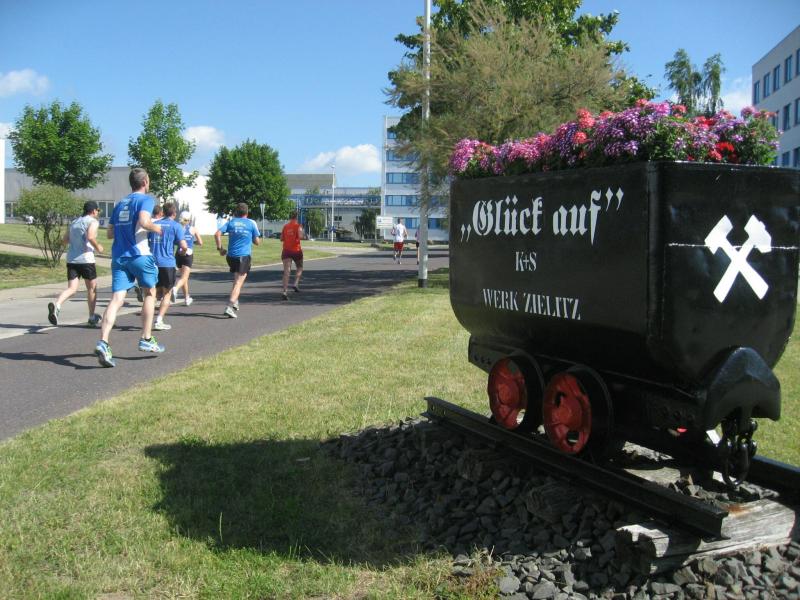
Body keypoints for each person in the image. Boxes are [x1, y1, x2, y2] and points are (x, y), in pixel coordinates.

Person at [94, 168, 164, 368]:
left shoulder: (120, 204)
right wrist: (157, 228)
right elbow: (144, 221)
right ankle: (146, 338)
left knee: (117, 299)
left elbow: (109, 233)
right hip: (139, 255)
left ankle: (103, 342)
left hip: (119, 257)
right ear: (145, 182)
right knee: (150, 293)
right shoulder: (146, 200)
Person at [47, 200, 104, 327]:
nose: (97, 213)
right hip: (86, 259)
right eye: (97, 210)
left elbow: (65, 240)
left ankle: (57, 305)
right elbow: (90, 237)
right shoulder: (92, 221)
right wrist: (98, 247)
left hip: (72, 260)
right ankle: (91, 317)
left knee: (72, 289)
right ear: (93, 211)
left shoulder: (74, 222)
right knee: (92, 288)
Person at [214, 202, 261, 318]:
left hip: (231, 256)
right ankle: (229, 306)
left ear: (236, 212)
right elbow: (257, 242)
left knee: (236, 280)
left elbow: (217, 234)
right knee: (239, 283)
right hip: (243, 256)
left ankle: (235, 301)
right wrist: (250, 236)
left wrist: (220, 249)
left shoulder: (231, 222)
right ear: (247, 212)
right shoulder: (251, 223)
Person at [149, 202, 187, 331]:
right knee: (167, 293)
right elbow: (183, 246)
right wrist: (182, 252)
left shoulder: (154, 224)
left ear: (163, 212)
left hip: (152, 262)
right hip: (167, 263)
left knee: (153, 293)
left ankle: (147, 320)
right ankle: (159, 320)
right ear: (174, 213)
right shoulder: (176, 226)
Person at [172, 211, 203, 306]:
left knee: (183, 277)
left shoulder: (177, 228)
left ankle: (186, 298)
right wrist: (192, 242)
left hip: (178, 253)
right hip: (188, 254)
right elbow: (200, 242)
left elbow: (174, 241)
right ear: (189, 220)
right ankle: (175, 288)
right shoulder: (193, 229)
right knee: (184, 277)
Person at [280, 211, 304, 301]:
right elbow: (301, 236)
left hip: (286, 251)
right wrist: (304, 236)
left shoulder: (285, 226)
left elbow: (281, 238)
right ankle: (295, 283)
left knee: (286, 271)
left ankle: (284, 291)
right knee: (300, 267)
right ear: (297, 217)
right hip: (296, 250)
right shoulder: (298, 226)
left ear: (289, 217)